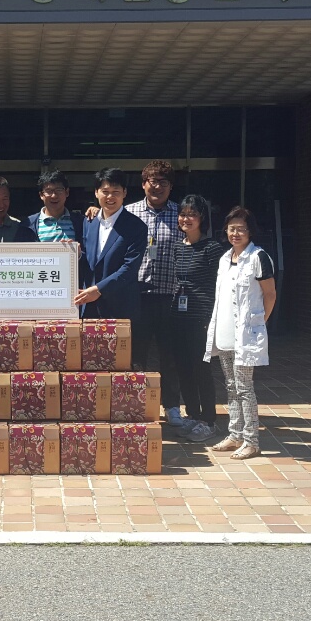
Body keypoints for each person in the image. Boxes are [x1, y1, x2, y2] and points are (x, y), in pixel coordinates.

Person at [204, 206, 278, 460]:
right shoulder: (225, 258)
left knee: (245, 387)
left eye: (241, 229)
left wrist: (260, 323)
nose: (235, 233)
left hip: (246, 334)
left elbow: (270, 295)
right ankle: (235, 434)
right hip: (225, 331)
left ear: (250, 231)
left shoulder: (259, 257)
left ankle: (251, 441)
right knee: (231, 385)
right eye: (231, 229)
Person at [125, 159, 185, 429]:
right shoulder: (129, 213)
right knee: (136, 354)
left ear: (170, 186)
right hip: (138, 296)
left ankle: (171, 406)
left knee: (170, 355)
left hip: (170, 295)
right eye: (153, 181)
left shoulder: (182, 214)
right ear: (143, 184)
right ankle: (135, 405)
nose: (157, 187)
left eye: (163, 182)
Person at [172, 194, 228, 443]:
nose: (186, 219)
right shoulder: (178, 246)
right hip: (179, 316)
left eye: (192, 215)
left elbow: (221, 286)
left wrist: (214, 317)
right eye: (183, 214)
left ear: (202, 218)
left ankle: (208, 420)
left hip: (202, 317)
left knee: (201, 369)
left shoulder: (212, 248)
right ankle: (193, 415)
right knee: (183, 368)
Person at [74, 167, 146, 320]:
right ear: (96, 192)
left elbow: (130, 267)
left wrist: (99, 289)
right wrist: (77, 254)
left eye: (116, 192)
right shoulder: (89, 222)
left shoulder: (136, 226)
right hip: (89, 306)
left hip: (120, 307)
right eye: (105, 191)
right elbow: (89, 259)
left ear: (124, 193)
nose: (110, 197)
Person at [28, 169, 85, 245]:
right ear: (41, 195)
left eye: (59, 190)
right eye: (49, 191)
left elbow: (91, 249)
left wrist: (79, 251)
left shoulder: (82, 222)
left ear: (67, 192)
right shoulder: (28, 225)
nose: (54, 196)